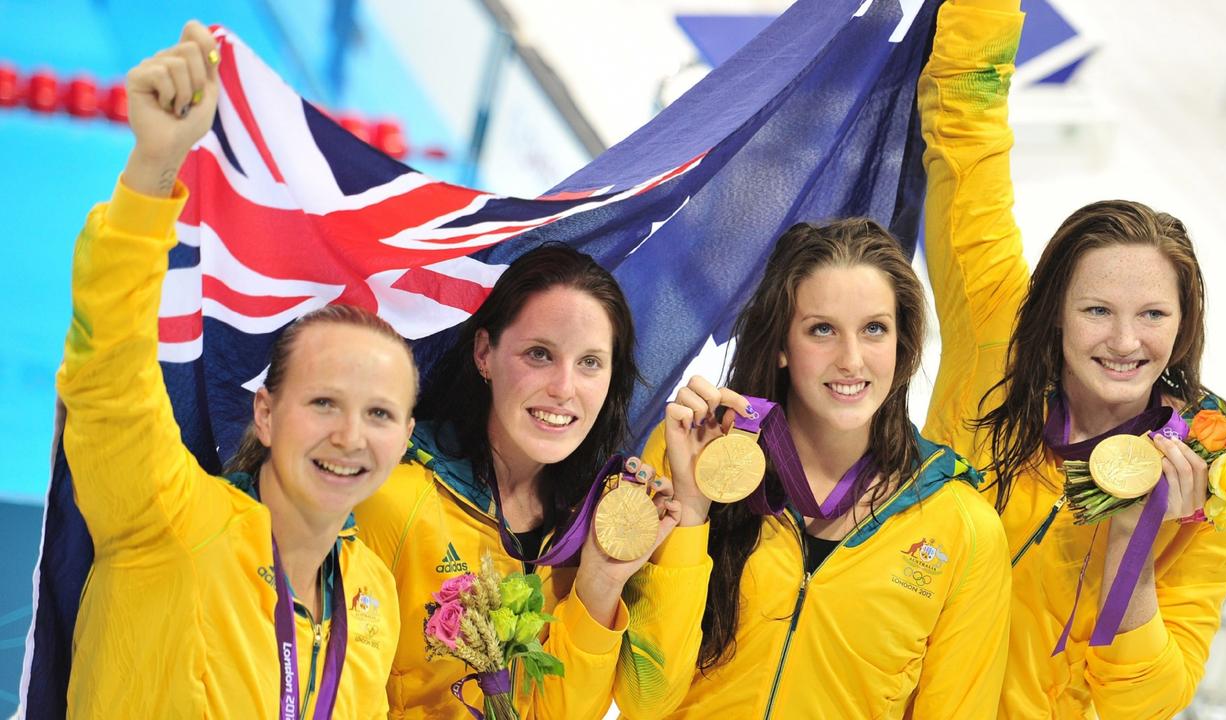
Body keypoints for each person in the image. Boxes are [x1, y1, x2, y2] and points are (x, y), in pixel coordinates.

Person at [58, 21, 413, 717]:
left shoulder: (372, 599)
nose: (350, 435)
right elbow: (108, 376)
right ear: (266, 412)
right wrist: (155, 169)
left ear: (404, 439)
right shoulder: (170, 518)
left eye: (379, 414)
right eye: (322, 403)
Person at [919, 1, 1226, 717]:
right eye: (1097, 310)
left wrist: (1132, 558)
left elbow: (1152, 703)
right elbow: (965, 139)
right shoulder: (996, 342)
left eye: (1154, 315)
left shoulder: (1214, 473)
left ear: (1186, 323)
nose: (1126, 341)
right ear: (1054, 312)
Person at [614, 216, 1012, 719]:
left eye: (874, 329)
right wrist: (693, 510)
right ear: (781, 345)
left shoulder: (962, 528)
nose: (851, 359)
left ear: (901, 342)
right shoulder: (689, 456)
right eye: (822, 329)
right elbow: (642, 700)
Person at [355, 244, 701, 718]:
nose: (564, 388)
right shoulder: (394, 499)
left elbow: (651, 701)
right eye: (540, 354)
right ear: (484, 354)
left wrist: (601, 580)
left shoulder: (595, 520)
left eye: (590, 362)